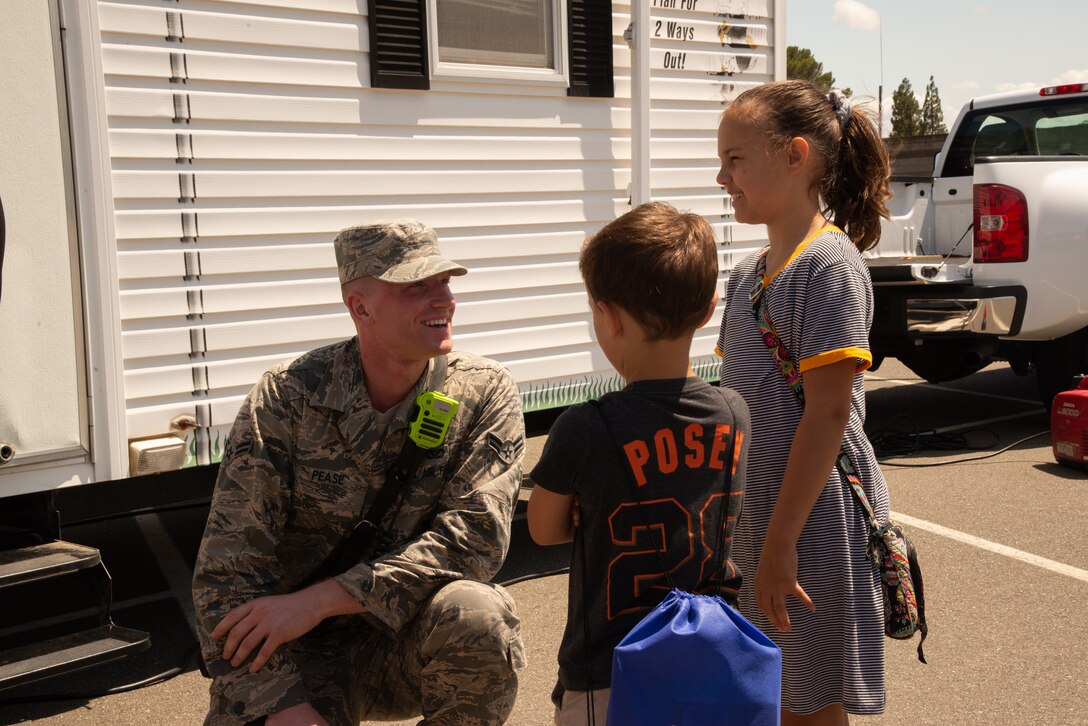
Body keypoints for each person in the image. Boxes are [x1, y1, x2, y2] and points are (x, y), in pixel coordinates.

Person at [192, 220, 527, 726]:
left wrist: (321, 600)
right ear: (360, 307)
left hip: (402, 639)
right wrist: (287, 708)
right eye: (417, 286)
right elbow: (227, 577)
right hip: (289, 651)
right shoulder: (288, 396)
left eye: (444, 282)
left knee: (478, 616)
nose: (443, 300)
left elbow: (475, 540)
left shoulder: (483, 391)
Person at [527, 201, 750, 725]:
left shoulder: (586, 427)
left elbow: (542, 529)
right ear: (709, 307)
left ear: (608, 316)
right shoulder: (734, 411)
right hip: (711, 657)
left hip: (611, 669)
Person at [714, 80, 893, 725]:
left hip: (810, 525)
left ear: (795, 155)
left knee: (808, 704)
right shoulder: (753, 271)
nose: (721, 175)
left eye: (735, 159)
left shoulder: (828, 265)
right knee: (769, 693)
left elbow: (827, 417)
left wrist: (781, 542)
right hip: (764, 516)